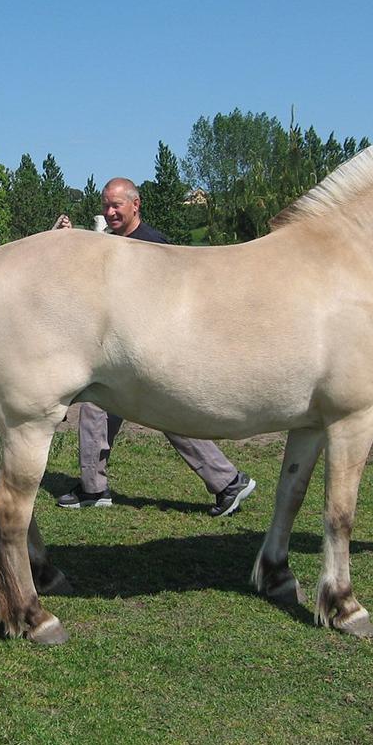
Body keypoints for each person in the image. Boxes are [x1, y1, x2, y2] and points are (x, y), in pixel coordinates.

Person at [52, 177, 256, 518]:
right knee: (95, 410)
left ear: (136, 205)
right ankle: (93, 487)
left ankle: (229, 482)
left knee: (167, 416)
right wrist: (68, 238)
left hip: (150, 355)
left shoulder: (151, 245)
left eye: (116, 205)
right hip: (121, 355)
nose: (110, 211)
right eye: (106, 205)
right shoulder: (115, 243)